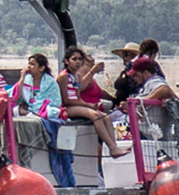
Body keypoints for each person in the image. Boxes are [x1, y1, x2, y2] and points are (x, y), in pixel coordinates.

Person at [58, 46, 130, 158]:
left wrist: (89, 105)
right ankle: (112, 147)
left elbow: (78, 97)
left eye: (79, 59)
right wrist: (87, 105)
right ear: (67, 61)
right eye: (74, 59)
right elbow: (66, 100)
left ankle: (114, 148)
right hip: (67, 108)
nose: (77, 62)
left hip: (76, 105)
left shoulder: (76, 76)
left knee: (106, 117)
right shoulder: (63, 76)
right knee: (95, 115)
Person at [13, 53, 74, 186]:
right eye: (28, 63)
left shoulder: (49, 83)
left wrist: (37, 109)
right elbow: (16, 97)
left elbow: (54, 101)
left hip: (45, 109)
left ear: (41, 68)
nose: (29, 66)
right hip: (29, 109)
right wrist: (22, 78)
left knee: (50, 114)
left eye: (32, 64)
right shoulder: (27, 79)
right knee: (15, 111)